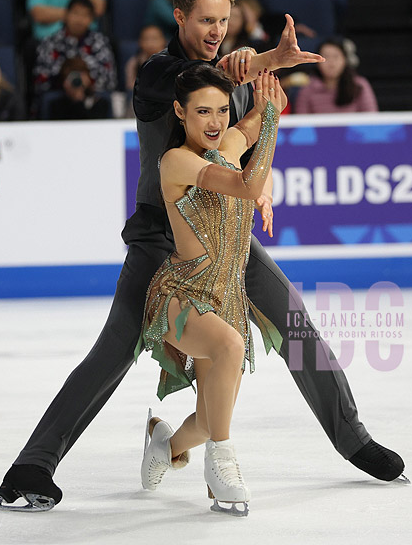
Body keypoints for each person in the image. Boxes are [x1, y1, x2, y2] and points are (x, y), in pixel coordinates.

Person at [0, 0, 405, 513]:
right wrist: (260, 62)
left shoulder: (223, 85)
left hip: (223, 235)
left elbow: (241, 144)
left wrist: (262, 185)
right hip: (160, 238)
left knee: (294, 319)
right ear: (180, 16)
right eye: (206, 19)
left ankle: (353, 439)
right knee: (115, 347)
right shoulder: (157, 75)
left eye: (224, 22)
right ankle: (33, 465)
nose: (216, 29)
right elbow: (202, 77)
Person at [137, 63, 285, 515]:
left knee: (207, 419)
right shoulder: (176, 160)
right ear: (180, 112)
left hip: (228, 300)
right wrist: (270, 133)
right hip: (182, 298)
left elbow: (259, 118)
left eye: (221, 110)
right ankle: (221, 465)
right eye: (203, 111)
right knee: (229, 346)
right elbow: (247, 181)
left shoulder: (229, 145)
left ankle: (164, 442)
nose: (216, 122)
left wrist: (272, 85)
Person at [33, 0, 117, 96]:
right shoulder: (50, 42)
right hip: (58, 99)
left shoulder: (100, 42)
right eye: (76, 13)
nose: (79, 20)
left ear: (91, 20)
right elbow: (40, 81)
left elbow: (110, 81)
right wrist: (63, 82)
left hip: (92, 98)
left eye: (85, 15)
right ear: (66, 15)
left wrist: (89, 81)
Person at [294, 38, 379, 114]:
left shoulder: (359, 85)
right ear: (317, 62)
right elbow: (302, 123)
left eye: (336, 57)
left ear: (345, 60)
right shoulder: (307, 89)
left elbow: (370, 119)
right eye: (326, 57)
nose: (331, 63)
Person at [46, 57, 112, 120]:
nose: (76, 80)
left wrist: (81, 97)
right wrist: (75, 99)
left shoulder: (100, 102)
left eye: (80, 76)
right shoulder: (54, 105)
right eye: (72, 76)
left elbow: (95, 126)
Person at [124, 25, 167, 117]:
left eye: (155, 39)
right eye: (146, 39)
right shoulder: (134, 63)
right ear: (140, 42)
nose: (150, 43)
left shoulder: (172, 62)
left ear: (163, 41)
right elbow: (131, 86)